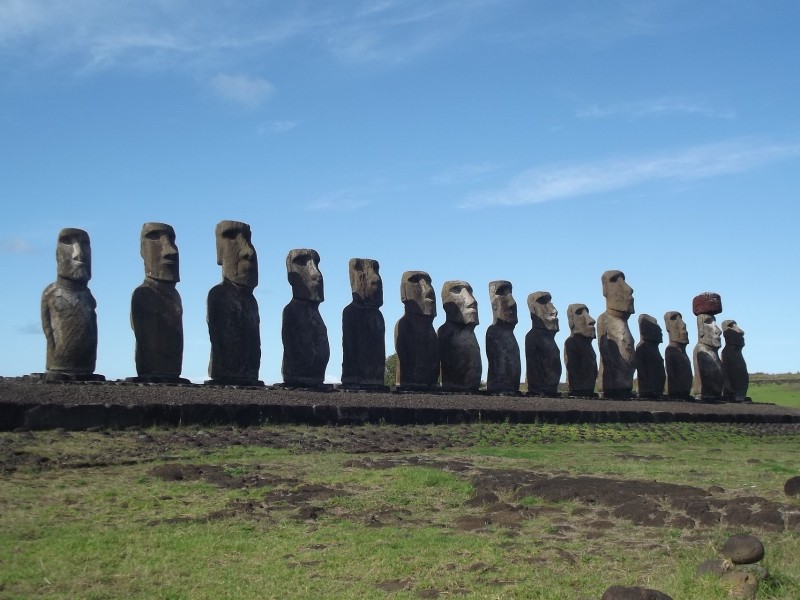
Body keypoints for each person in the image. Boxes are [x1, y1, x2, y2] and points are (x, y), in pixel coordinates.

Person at [41, 228, 104, 382]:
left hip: (86, 366)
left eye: (84, 245)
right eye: (68, 243)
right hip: (59, 365)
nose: (79, 254)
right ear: (57, 255)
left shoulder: (88, 296)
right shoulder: (52, 293)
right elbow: (48, 329)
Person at [206, 220, 262, 386]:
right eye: (231, 237)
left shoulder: (251, 302)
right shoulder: (219, 296)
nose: (248, 251)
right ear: (219, 250)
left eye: (248, 239)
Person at [130, 222, 187, 383]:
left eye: (172, 241)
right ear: (142, 250)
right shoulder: (144, 294)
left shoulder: (175, 296)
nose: (171, 250)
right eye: (154, 238)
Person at [282, 249, 330, 387]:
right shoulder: (292, 311)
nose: (317, 274)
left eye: (317, 264)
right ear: (290, 275)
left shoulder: (315, 315)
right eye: (302, 263)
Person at [341, 258, 386, 389]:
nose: (376, 280)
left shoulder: (378, 316)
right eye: (361, 272)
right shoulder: (351, 312)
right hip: (356, 379)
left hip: (375, 378)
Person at [394, 271, 439, 389]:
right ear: (403, 291)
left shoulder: (432, 331)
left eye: (428, 282)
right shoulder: (403, 325)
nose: (428, 289)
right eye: (414, 281)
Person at [597, 270, 635, 399]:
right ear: (605, 290)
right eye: (614, 281)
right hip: (612, 388)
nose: (628, 289)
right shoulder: (604, 320)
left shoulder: (622, 323)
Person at [438, 280, 481, 391]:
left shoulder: (471, 334)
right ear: (445, 304)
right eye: (457, 291)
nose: (472, 300)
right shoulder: (446, 333)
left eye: (470, 292)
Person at [485, 280, 521, 394]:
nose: (512, 303)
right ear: (493, 304)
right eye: (502, 293)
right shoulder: (493, 332)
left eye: (510, 293)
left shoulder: (510, 335)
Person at [525, 291, 561, 396]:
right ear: (533, 309)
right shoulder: (533, 337)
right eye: (543, 303)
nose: (554, 310)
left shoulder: (550, 340)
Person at [564, 303, 597, 397]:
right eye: (579, 313)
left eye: (587, 313)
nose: (592, 320)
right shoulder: (571, 343)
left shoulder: (588, 346)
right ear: (571, 320)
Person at [635, 314, 665, 398]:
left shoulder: (655, 349)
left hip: (657, 389)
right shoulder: (642, 347)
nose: (660, 333)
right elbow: (642, 369)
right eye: (657, 331)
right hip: (648, 389)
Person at [663, 311, 692, 399]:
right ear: (667, 326)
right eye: (674, 319)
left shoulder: (683, 353)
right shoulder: (671, 350)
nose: (683, 325)